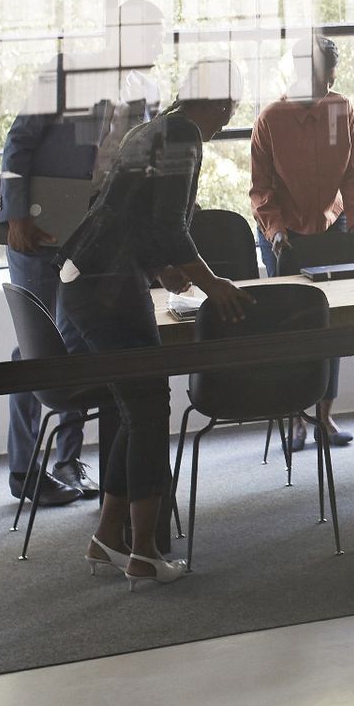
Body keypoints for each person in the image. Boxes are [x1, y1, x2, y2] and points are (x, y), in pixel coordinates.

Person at [58, 59, 254, 588]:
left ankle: (108, 537)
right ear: (221, 104)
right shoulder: (183, 136)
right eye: (230, 110)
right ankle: (143, 551)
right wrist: (214, 284)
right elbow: (168, 225)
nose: (227, 122)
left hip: (89, 279)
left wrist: (164, 268)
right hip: (108, 286)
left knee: (135, 409)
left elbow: (132, 217)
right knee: (147, 409)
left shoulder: (152, 128)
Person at [0, 0, 165, 508]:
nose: (159, 45)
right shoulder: (68, 73)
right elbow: (18, 143)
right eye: (153, 35)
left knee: (78, 346)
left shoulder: (146, 92)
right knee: (36, 349)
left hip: (97, 237)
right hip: (42, 226)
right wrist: (16, 214)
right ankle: (25, 470)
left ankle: (67, 460)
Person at [249, 29, 354, 449]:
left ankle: (324, 415)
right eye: (321, 78)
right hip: (284, 233)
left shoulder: (342, 109)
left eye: (331, 78)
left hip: (330, 224)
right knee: (291, 327)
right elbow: (261, 189)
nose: (327, 86)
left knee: (329, 323)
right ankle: (295, 417)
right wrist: (277, 232)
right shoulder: (271, 119)